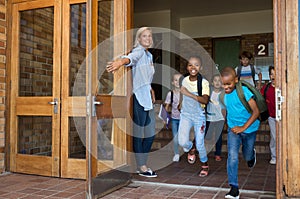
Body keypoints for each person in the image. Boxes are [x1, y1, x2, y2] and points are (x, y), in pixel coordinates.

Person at [106, 27, 157, 178]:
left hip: (147, 97)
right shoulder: (140, 51)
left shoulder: (149, 56)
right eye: (144, 36)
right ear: (139, 39)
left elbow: (146, 78)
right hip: (138, 98)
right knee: (139, 133)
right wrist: (120, 62)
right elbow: (131, 58)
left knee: (150, 133)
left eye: (149, 36)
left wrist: (151, 90)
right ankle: (142, 166)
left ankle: (141, 164)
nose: (147, 38)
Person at [220, 66, 260, 199]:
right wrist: (227, 123)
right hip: (233, 130)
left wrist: (243, 128)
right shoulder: (223, 96)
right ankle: (234, 188)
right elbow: (225, 109)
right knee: (232, 156)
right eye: (223, 84)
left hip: (250, 128)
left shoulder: (243, 92)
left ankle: (251, 156)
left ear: (236, 80)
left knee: (247, 155)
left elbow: (256, 112)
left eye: (228, 84)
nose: (226, 87)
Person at [178, 55, 210, 177]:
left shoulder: (204, 83)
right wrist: (181, 102)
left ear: (200, 67)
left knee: (200, 143)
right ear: (187, 67)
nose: (193, 67)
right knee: (182, 141)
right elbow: (182, 92)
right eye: (190, 64)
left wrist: (189, 94)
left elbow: (205, 100)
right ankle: (191, 148)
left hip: (199, 116)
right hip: (185, 115)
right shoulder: (184, 80)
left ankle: (204, 164)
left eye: (196, 65)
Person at [205, 74, 225, 162]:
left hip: (220, 118)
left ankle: (218, 154)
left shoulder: (224, 93)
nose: (217, 82)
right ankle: (203, 151)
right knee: (207, 136)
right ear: (212, 82)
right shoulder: (209, 92)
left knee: (218, 136)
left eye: (219, 81)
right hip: (209, 117)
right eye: (215, 80)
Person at [164, 73, 183, 162]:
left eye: (179, 80)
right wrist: (165, 116)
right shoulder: (170, 94)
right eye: (175, 80)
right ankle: (176, 154)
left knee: (183, 137)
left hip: (184, 119)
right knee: (175, 137)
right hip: (174, 119)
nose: (177, 82)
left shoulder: (185, 93)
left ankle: (186, 147)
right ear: (172, 82)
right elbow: (167, 106)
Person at [261, 66, 276, 165]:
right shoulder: (266, 87)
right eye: (271, 74)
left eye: (275, 74)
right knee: (274, 137)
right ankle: (274, 156)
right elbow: (260, 99)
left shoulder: (284, 86)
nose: (273, 76)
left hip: (283, 117)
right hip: (272, 117)